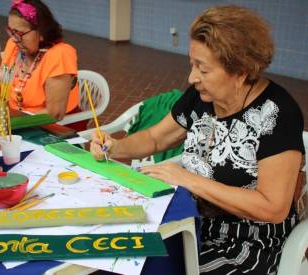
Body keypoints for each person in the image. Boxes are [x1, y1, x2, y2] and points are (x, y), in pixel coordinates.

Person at [90, 5, 304, 275]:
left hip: (246, 242)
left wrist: (188, 179)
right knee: (116, 258)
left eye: (202, 69)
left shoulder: (277, 114)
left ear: (240, 71)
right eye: (192, 64)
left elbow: (272, 207)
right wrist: (115, 145)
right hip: (190, 221)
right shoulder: (202, 97)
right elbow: (156, 138)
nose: (192, 77)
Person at [0, 0, 79, 121]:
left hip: (53, 128)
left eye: (20, 33)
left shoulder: (60, 54)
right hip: (15, 122)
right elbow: (3, 95)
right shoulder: (14, 46)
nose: (15, 39)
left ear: (42, 31)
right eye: (11, 31)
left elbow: (55, 114)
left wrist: (11, 121)